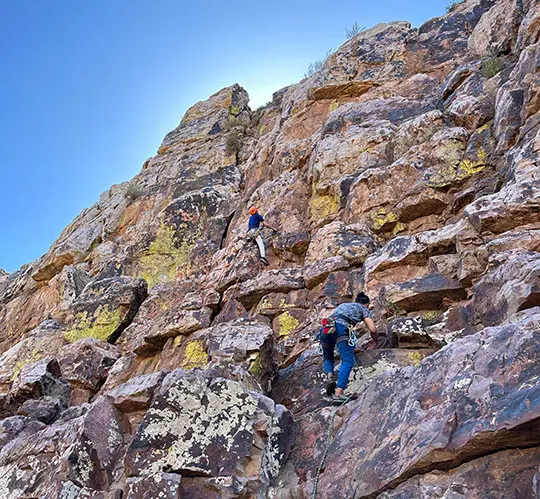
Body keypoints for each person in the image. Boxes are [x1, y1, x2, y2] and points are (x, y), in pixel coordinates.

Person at [320, 292, 378, 402]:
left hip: (326, 327)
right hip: (341, 328)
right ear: (366, 304)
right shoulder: (363, 308)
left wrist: (352, 348)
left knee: (328, 358)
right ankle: (339, 393)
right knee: (347, 361)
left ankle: (330, 376)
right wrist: (375, 341)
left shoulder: (344, 306)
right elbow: (373, 329)